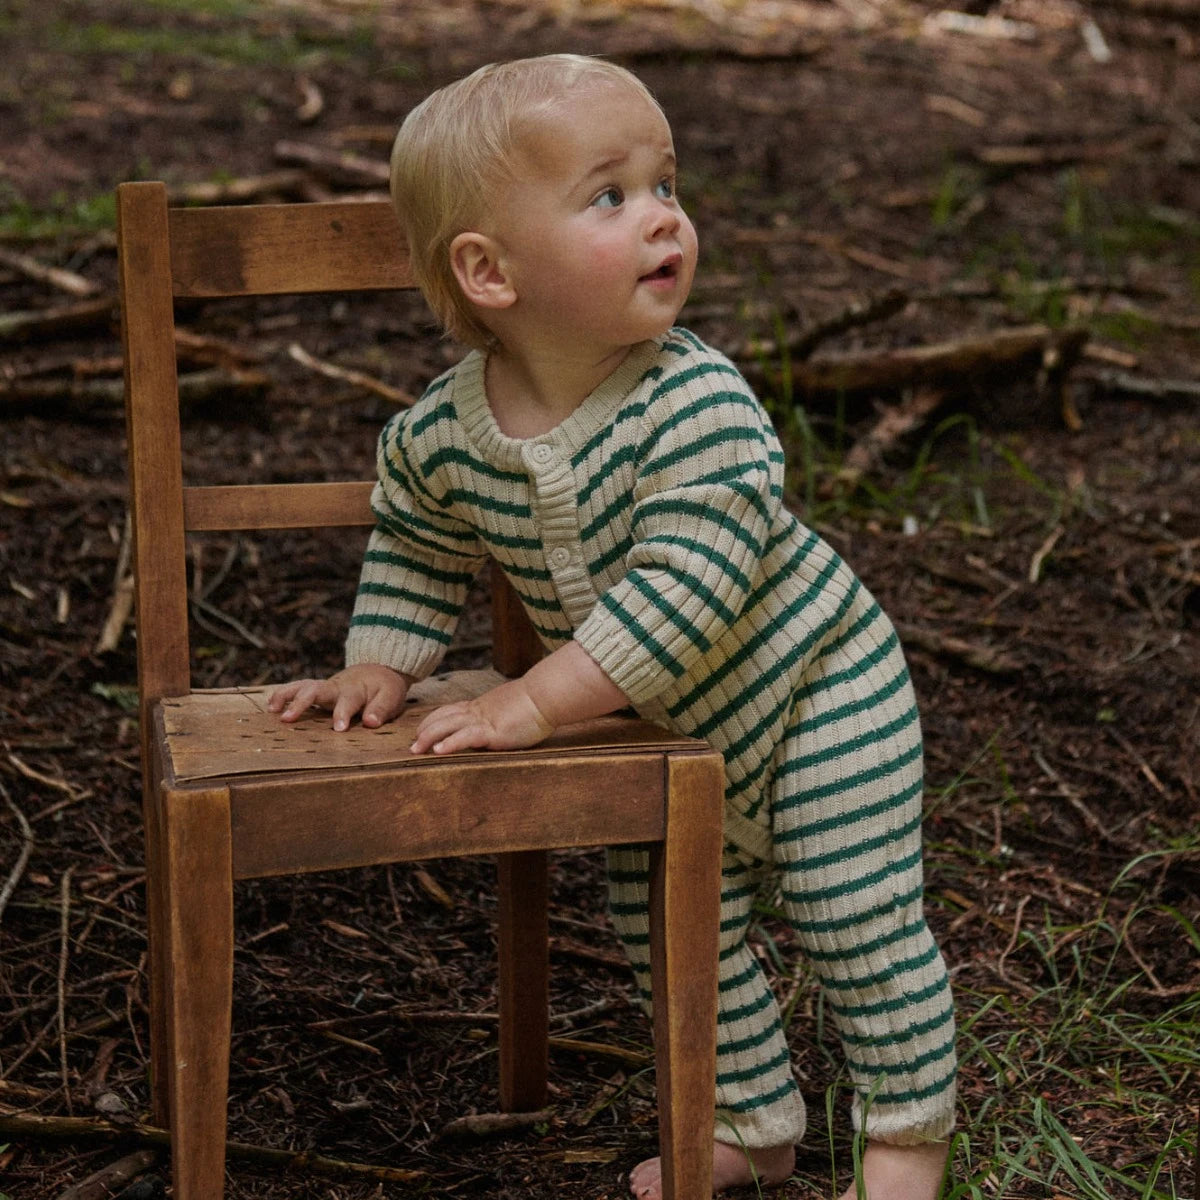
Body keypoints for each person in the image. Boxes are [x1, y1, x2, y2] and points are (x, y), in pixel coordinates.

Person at [268, 53, 957, 1200]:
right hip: (664, 725)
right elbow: (417, 540)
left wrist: (532, 701)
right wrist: (382, 662)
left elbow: (688, 587)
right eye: (611, 195)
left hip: (816, 692)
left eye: (667, 185)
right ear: (489, 272)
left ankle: (905, 1139)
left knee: (852, 915)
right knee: (669, 923)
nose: (663, 220)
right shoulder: (445, 434)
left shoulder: (699, 404)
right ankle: (749, 1120)